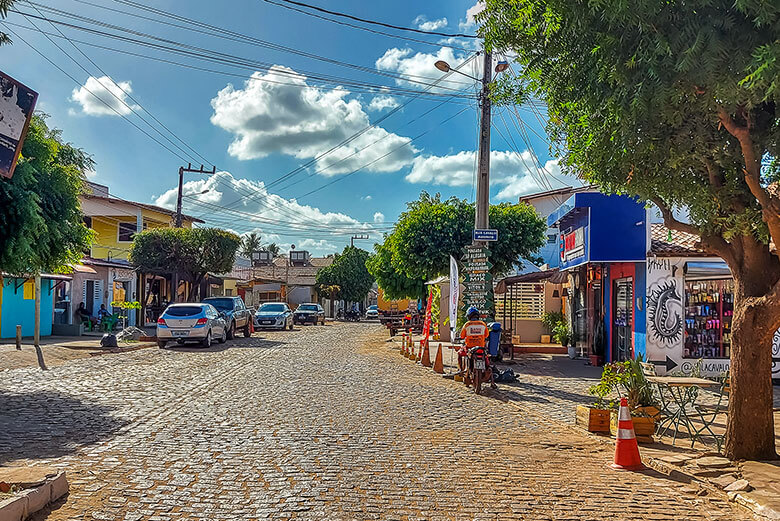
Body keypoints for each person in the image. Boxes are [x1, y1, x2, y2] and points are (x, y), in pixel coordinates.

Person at [459, 307, 496, 389]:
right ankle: (491, 380)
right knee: (487, 361)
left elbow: (462, 336)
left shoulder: (467, 325)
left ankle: (462, 371)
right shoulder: (483, 324)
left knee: (460, 353)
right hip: (481, 348)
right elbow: (486, 335)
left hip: (470, 348)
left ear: (469, 316)